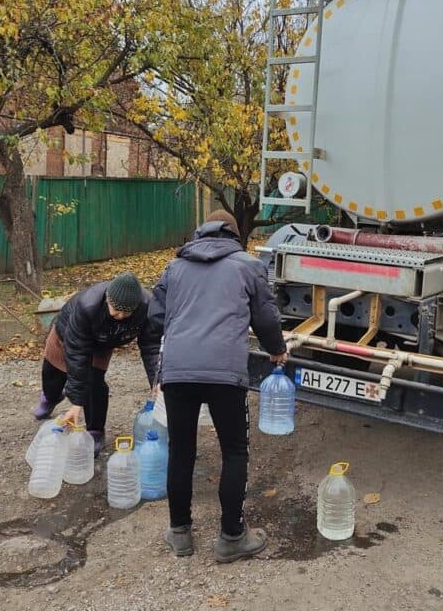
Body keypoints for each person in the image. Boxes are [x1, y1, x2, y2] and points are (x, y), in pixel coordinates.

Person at [149, 210, 288, 563]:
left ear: (201, 232)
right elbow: (266, 317)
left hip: (178, 371)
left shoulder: (175, 267)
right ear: (234, 234)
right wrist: (277, 350)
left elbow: (155, 317)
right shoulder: (247, 265)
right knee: (234, 452)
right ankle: (231, 537)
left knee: (181, 450)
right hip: (225, 373)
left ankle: (180, 533)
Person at [34, 272, 160, 456]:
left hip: (103, 343)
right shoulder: (88, 305)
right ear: (107, 300)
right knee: (53, 375)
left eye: (127, 312)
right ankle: (51, 398)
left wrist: (158, 381)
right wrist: (77, 402)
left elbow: (152, 347)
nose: (121, 316)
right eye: (116, 310)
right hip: (67, 336)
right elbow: (77, 353)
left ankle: (95, 430)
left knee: (95, 383)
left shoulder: (148, 308)